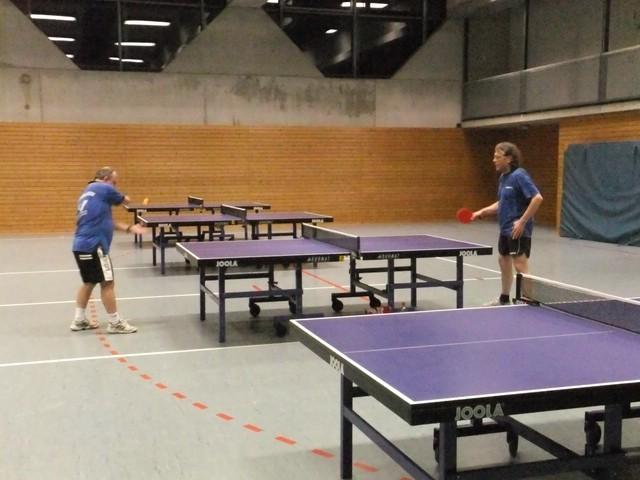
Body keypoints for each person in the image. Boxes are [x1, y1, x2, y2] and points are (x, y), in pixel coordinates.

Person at [71, 167, 146, 333]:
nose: (115, 186)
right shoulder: (103, 188)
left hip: (80, 245)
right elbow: (125, 200)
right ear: (105, 179)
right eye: (114, 182)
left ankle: (79, 320)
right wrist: (126, 199)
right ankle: (115, 322)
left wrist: (130, 228)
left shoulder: (89, 192)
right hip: (94, 246)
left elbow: (107, 222)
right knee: (107, 283)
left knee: (89, 282)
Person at [471, 142, 543, 305]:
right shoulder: (504, 178)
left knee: (519, 264)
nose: (493, 160)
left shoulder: (519, 175)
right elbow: (502, 203)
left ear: (509, 158)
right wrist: (482, 212)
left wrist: (522, 222)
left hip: (517, 230)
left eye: (497, 157)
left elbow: (537, 198)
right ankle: (504, 298)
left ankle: (529, 301)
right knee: (503, 260)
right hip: (505, 229)